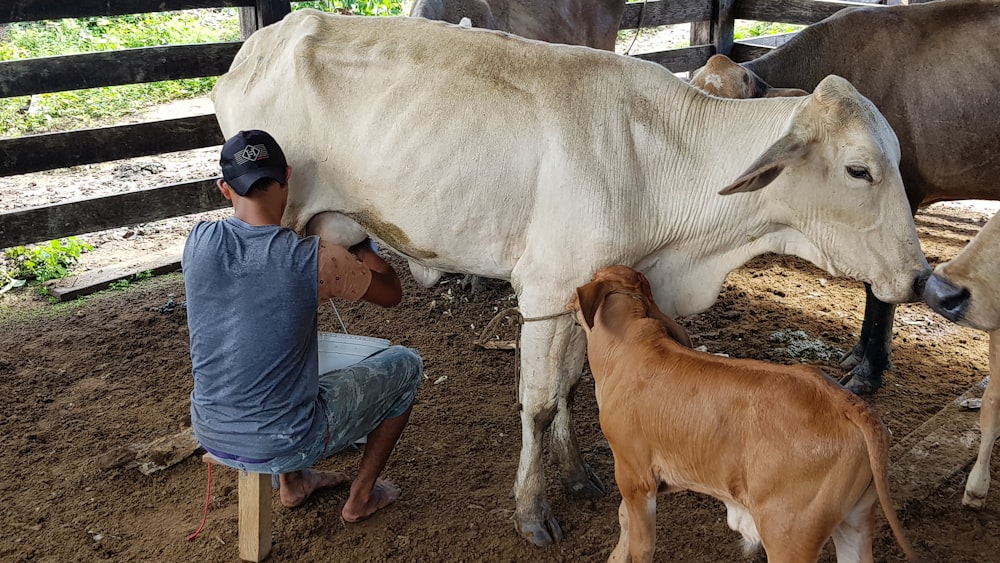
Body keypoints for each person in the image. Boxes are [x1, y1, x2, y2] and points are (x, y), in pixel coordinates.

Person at [183, 129, 423, 522]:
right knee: (406, 365)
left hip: (210, 428)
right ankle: (362, 496)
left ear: (224, 188)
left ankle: (293, 484)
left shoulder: (199, 239)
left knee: (278, 347)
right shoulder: (314, 259)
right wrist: (360, 246)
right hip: (290, 439)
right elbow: (391, 293)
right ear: (287, 176)